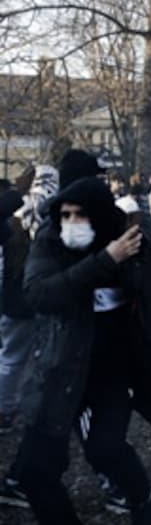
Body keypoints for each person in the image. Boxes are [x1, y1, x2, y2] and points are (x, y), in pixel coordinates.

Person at [6, 175, 151, 524]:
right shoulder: (51, 241)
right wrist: (105, 260)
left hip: (114, 367)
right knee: (35, 472)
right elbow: (39, 295)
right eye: (65, 215)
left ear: (100, 216)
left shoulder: (136, 243)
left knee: (104, 449)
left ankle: (143, 500)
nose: (71, 223)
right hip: (58, 365)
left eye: (80, 215)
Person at [0, 166, 39, 434]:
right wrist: (19, 192)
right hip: (19, 304)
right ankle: (4, 409)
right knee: (13, 359)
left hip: (14, 302)